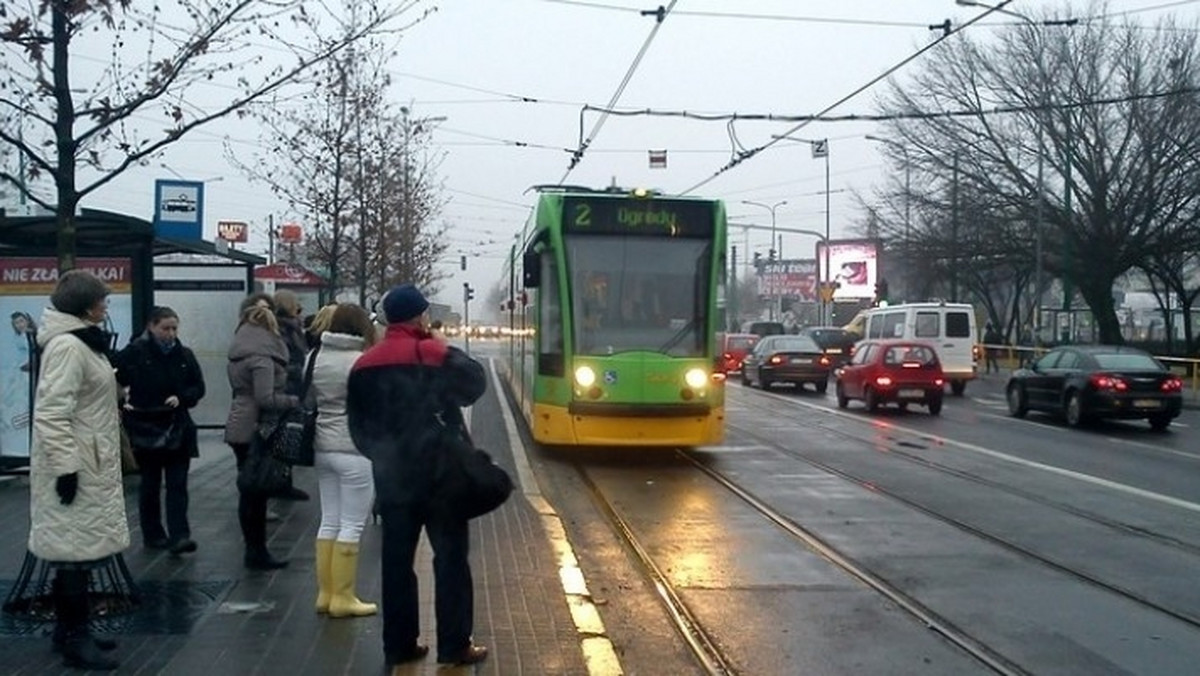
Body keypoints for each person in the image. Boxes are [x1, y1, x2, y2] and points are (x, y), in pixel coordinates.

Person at [347, 284, 489, 667]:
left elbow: (358, 427)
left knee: (396, 564)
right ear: (420, 316)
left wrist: (382, 456)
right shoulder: (433, 352)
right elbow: (474, 384)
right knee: (451, 560)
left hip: (394, 481)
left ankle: (399, 645)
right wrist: (441, 342)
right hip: (443, 479)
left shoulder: (365, 363)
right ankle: (455, 645)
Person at [29, 270, 129, 670]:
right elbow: (52, 413)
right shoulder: (69, 346)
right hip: (76, 466)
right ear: (87, 306)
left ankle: (68, 631)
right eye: (103, 300)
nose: (107, 305)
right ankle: (76, 638)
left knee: (78, 552)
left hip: (89, 460)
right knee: (72, 554)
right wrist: (67, 468)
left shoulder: (81, 343)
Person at [115, 306, 206, 555]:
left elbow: (198, 386)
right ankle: (153, 533)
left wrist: (183, 397)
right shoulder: (135, 353)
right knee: (150, 484)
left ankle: (180, 535)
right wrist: (123, 401)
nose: (171, 334)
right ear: (151, 326)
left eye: (174, 328)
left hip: (177, 425)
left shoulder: (183, 355)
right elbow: (114, 377)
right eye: (165, 328)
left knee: (177, 484)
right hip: (146, 425)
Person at [309, 304, 378, 618]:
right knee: (352, 524)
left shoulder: (314, 358)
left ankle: (325, 594)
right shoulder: (362, 362)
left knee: (330, 520)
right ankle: (344, 597)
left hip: (322, 446)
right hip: (354, 448)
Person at [225, 305, 300, 570]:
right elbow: (265, 398)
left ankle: (254, 550)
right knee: (255, 494)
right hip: (257, 428)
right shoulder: (262, 357)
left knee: (249, 490)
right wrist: (293, 401)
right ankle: (256, 551)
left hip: (239, 424)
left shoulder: (238, 351)